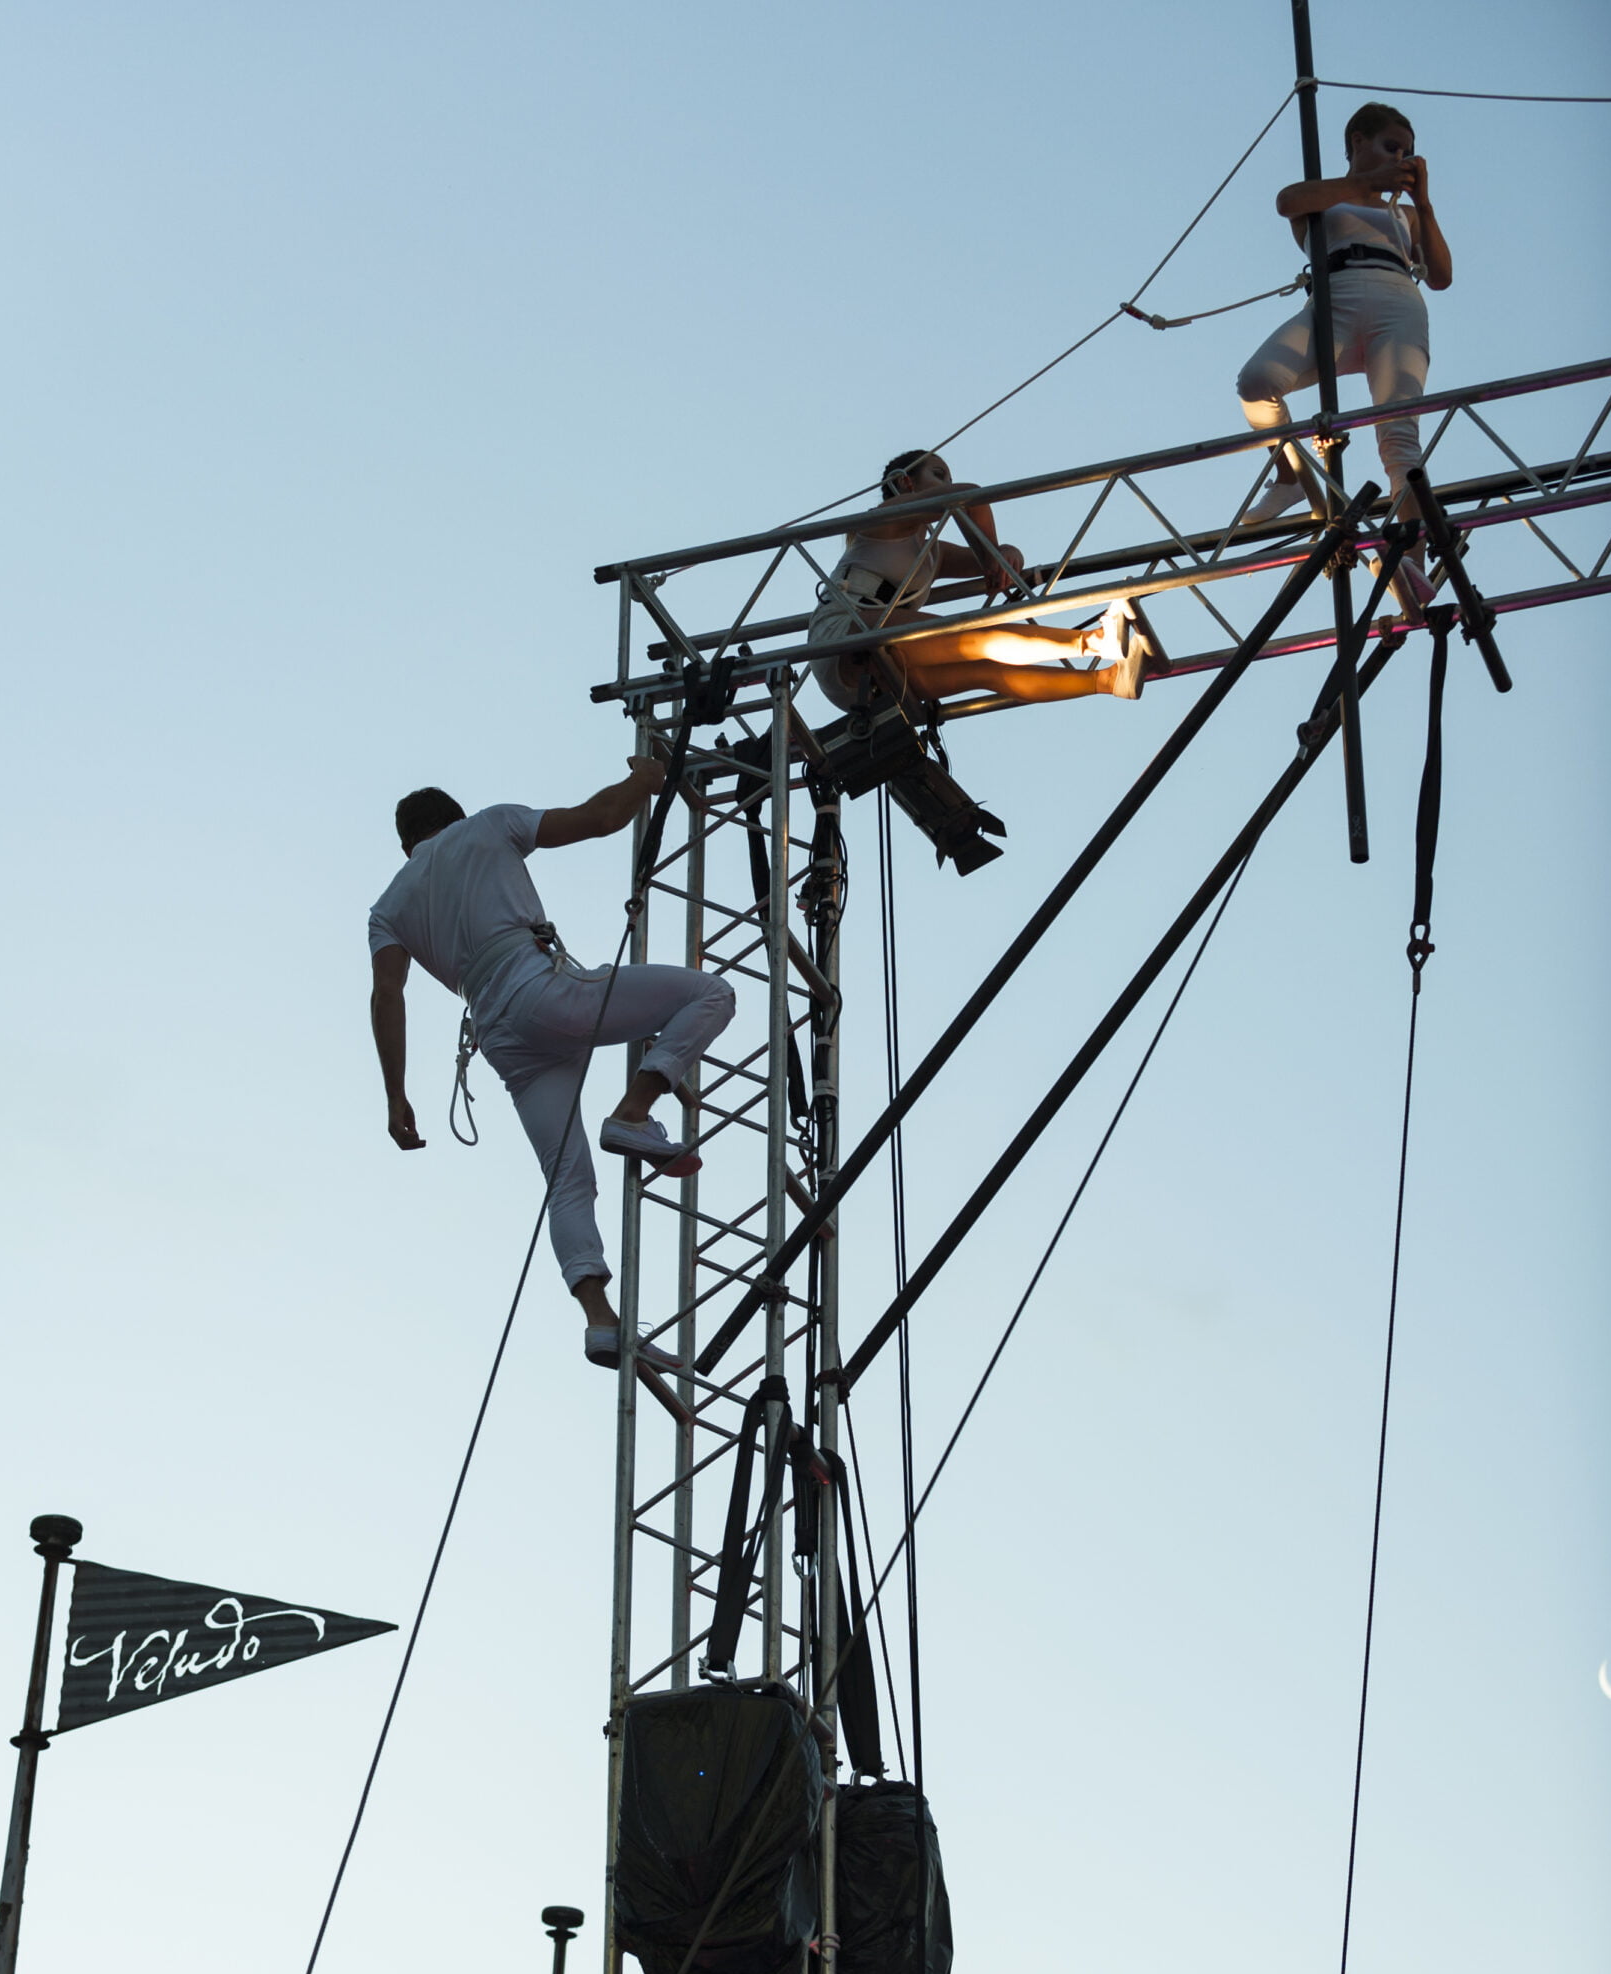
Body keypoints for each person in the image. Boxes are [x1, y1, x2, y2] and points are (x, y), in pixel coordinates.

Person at [367, 767, 735, 1372]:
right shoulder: (486, 826)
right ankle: (634, 1110)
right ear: (454, 817)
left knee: (566, 1178)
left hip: (500, 1035)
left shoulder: (389, 907)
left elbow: (388, 995)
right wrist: (645, 781)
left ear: (408, 844)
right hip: (540, 989)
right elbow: (600, 818)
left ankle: (600, 1320)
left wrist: (396, 1094)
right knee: (712, 995)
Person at [1236, 101, 1453, 598]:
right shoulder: (1324, 196)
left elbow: (1441, 276)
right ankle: (1289, 475)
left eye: (1406, 152)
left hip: (1396, 299)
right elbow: (1287, 202)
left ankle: (1410, 560)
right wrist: (1369, 181)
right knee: (1257, 381)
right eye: (1391, 146)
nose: (1399, 158)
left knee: (1398, 436)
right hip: (1336, 295)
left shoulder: (1403, 214)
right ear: (1357, 141)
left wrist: (1423, 204)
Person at [809, 448, 1150, 716]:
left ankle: (1106, 681)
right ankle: (1095, 642)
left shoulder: (934, 552)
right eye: (938, 475)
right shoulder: (883, 521)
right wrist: (991, 556)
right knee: (973, 638)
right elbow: (970, 497)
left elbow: (990, 555)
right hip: (841, 635)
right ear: (905, 483)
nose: (946, 483)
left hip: (860, 681)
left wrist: (1006, 553)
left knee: (986, 672)